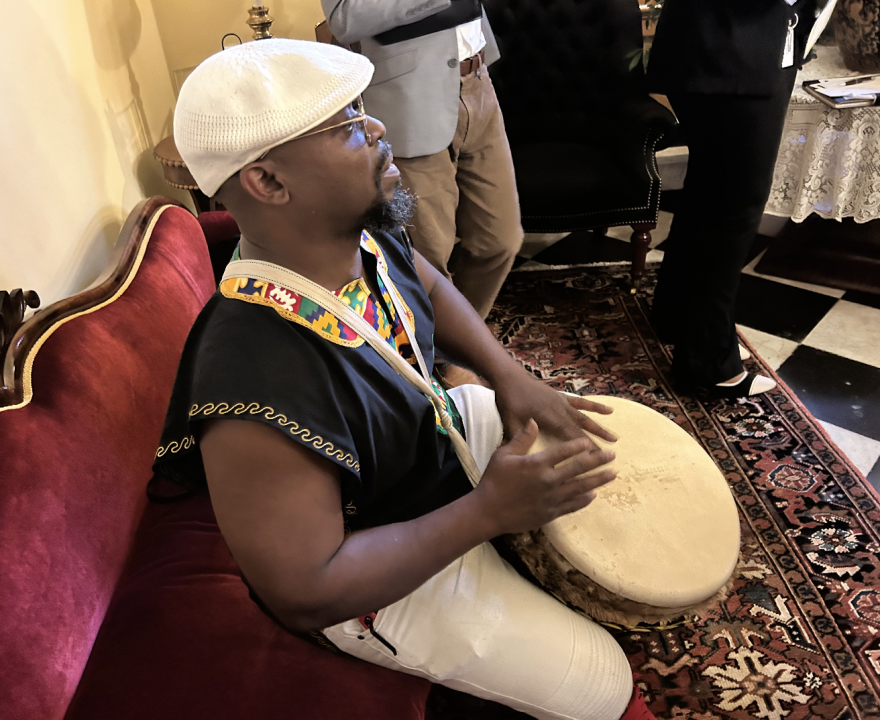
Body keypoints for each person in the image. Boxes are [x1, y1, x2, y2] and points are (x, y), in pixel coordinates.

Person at [154, 38, 658, 720]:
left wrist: (508, 375)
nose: (378, 129)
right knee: (602, 686)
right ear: (269, 183)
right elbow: (306, 589)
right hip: (371, 573)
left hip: (424, 458)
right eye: (348, 127)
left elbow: (425, 281)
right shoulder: (255, 377)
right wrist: (487, 515)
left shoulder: (350, 230)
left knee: (584, 450)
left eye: (363, 111)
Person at [647, 0, 822, 399]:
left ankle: (675, 315)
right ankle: (707, 363)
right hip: (731, 52)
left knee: (710, 191)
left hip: (725, 48)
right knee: (734, 207)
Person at [319, 0, 522, 325]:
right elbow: (344, 18)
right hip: (411, 96)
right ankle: (446, 356)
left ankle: (458, 342)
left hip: (479, 82)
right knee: (431, 254)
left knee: (501, 240)